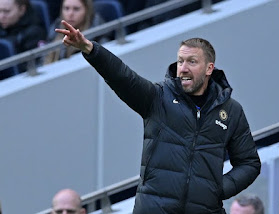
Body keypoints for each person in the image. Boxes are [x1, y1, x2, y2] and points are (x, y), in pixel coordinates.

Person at [55, 20, 261, 214]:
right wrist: (91, 50)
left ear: (209, 68)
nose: (184, 68)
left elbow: (249, 163)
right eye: (180, 61)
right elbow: (122, 77)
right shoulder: (158, 97)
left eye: (192, 61)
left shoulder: (231, 111)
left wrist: (217, 189)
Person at [44, 0, 108, 64]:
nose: (70, 14)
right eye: (66, 8)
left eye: (76, 9)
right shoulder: (55, 29)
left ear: (87, 10)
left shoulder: (99, 34)